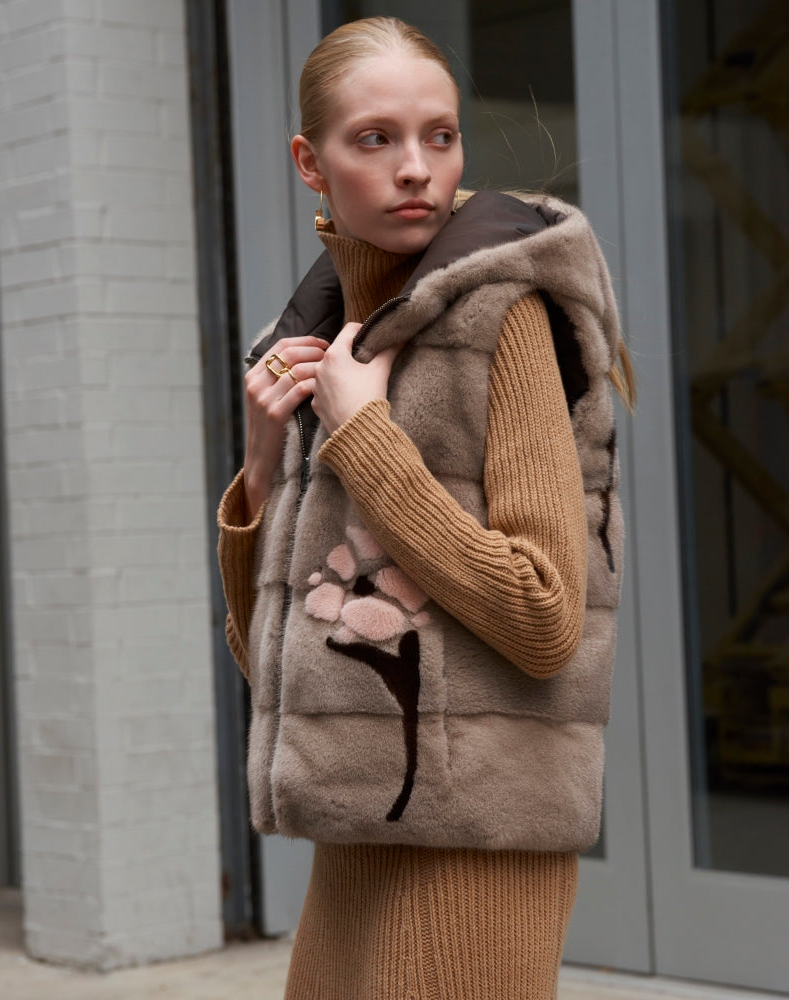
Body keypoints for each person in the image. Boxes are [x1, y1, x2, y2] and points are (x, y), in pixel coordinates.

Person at [217, 15, 634, 1000]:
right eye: (375, 139)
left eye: (437, 137)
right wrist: (262, 465)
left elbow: (542, 620)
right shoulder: (332, 346)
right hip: (362, 838)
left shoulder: (502, 320)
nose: (415, 167)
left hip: (474, 843)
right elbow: (274, 658)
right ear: (308, 163)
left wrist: (362, 441)